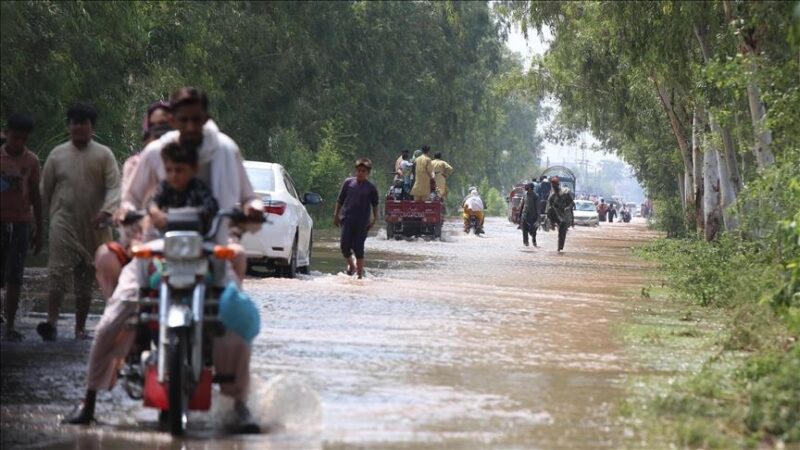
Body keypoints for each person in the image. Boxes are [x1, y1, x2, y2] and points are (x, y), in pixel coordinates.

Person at [64, 87, 263, 433]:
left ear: (206, 117)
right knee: (114, 317)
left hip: (211, 253)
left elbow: (248, 197)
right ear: (172, 119)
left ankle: (239, 404)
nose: (190, 126)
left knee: (233, 322)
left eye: (196, 119)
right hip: (155, 252)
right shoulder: (157, 153)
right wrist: (126, 213)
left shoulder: (227, 151)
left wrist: (253, 208)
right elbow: (131, 199)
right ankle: (89, 399)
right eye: (182, 119)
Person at [39, 103, 121, 341]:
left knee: (86, 277)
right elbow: (45, 191)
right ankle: (51, 322)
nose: (78, 127)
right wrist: (37, 222)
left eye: (83, 123)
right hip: (63, 221)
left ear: (91, 127)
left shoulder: (104, 155)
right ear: (69, 126)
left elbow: (115, 187)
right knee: (57, 272)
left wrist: (107, 212)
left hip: (95, 225)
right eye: (74, 122)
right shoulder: (57, 155)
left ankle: (79, 328)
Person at [94, 100, 173, 299]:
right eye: (157, 129)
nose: (162, 136)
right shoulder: (134, 165)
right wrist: (126, 216)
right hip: (142, 243)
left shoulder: (192, 164)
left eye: (168, 129)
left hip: (184, 245)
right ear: (147, 133)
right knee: (106, 256)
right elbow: (129, 201)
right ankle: (120, 314)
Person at [1, 113, 43, 341]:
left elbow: (36, 197)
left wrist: (40, 231)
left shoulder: (31, 161)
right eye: (15, 138)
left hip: (21, 221)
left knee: (15, 275)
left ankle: (9, 326)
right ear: (7, 134)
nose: (18, 143)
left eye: (23, 139)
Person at [147, 141, 219, 233]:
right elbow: (152, 202)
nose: (173, 175)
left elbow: (211, 206)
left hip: (196, 238)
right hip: (168, 238)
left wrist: (183, 214)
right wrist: (155, 211)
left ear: (194, 170)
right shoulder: (165, 187)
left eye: (179, 170)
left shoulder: (197, 187)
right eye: (169, 170)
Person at [333, 158, 379, 279]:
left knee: (359, 248)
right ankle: (352, 266)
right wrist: (336, 215)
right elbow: (340, 201)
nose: (360, 173)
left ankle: (359, 276)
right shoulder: (348, 183)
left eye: (363, 171)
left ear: (368, 173)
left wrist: (374, 220)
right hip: (347, 219)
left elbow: (375, 205)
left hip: (362, 223)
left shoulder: (371, 188)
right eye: (358, 170)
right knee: (344, 246)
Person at [546, 176, 575, 252]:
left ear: (558, 184)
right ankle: (553, 225)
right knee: (550, 210)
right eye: (553, 185)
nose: (554, 187)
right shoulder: (551, 195)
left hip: (564, 216)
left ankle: (559, 248)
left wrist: (568, 207)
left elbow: (572, 203)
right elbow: (548, 207)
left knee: (562, 233)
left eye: (555, 185)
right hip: (556, 215)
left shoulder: (565, 192)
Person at [518, 182, 539, 247]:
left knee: (532, 230)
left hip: (532, 216)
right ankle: (526, 243)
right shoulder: (524, 195)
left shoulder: (535, 196)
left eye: (527, 187)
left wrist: (538, 218)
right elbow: (522, 205)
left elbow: (538, 207)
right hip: (524, 215)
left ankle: (534, 240)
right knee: (524, 230)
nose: (525, 187)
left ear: (530, 188)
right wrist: (519, 216)